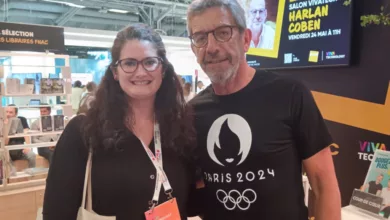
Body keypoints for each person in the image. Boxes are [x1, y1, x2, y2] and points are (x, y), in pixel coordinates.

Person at [186, 0, 341, 219]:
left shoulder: (289, 94)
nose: (211, 47)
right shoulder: (191, 112)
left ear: (246, 39)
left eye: (223, 32)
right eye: (200, 38)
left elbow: (324, 185)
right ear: (194, 48)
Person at [42, 24, 198, 220]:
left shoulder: (181, 129)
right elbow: (57, 213)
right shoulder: (83, 132)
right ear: (115, 72)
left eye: (150, 62)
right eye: (130, 63)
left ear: (163, 70)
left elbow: (192, 203)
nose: (140, 72)